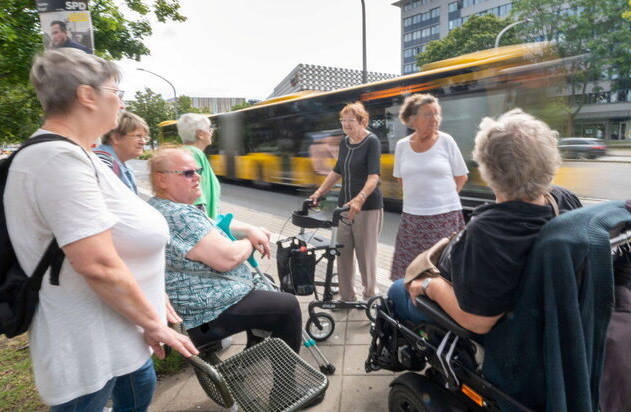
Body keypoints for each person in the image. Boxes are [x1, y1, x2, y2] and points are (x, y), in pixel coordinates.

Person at [5, 48, 197, 412]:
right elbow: (95, 263)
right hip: (87, 336)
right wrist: (153, 323)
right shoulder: (58, 160)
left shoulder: (78, 153)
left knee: (138, 392)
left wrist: (150, 297)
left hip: (116, 325)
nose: (121, 101)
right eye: (115, 90)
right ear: (87, 96)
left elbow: (114, 235)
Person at [388, 109, 582, 334]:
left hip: (494, 326)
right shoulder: (564, 200)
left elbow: (478, 321)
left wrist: (429, 286)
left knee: (396, 291)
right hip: (542, 315)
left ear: (489, 170)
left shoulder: (489, 231)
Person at [147, 148, 303, 352]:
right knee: (287, 306)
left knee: (268, 283)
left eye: (198, 170)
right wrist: (251, 239)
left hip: (203, 299)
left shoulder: (165, 205)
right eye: (187, 173)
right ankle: (286, 382)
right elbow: (228, 258)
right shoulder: (179, 215)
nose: (197, 177)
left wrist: (249, 228)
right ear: (162, 180)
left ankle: (254, 349)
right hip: (205, 312)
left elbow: (215, 224)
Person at [309, 102, 383, 301]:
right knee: (342, 253)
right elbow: (337, 170)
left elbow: (374, 176)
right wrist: (319, 191)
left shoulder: (371, 141)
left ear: (363, 121)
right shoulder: (345, 142)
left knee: (366, 256)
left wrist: (359, 199)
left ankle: (370, 299)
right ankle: (347, 297)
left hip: (367, 207)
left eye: (351, 120)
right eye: (343, 120)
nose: (346, 124)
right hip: (344, 208)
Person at [390, 94, 469, 280]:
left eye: (436, 113)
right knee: (411, 273)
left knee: (442, 271)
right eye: (428, 114)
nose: (434, 118)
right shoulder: (402, 146)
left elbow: (461, 176)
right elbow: (401, 179)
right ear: (412, 119)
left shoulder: (446, 141)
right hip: (412, 220)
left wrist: (443, 199)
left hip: (445, 218)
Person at [176, 113, 221, 219]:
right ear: (200, 134)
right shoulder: (194, 154)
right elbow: (196, 197)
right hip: (203, 225)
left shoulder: (183, 152)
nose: (211, 133)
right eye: (209, 129)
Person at [94, 111, 149, 194]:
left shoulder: (123, 166)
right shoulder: (103, 161)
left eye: (145, 137)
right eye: (138, 136)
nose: (143, 142)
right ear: (116, 138)